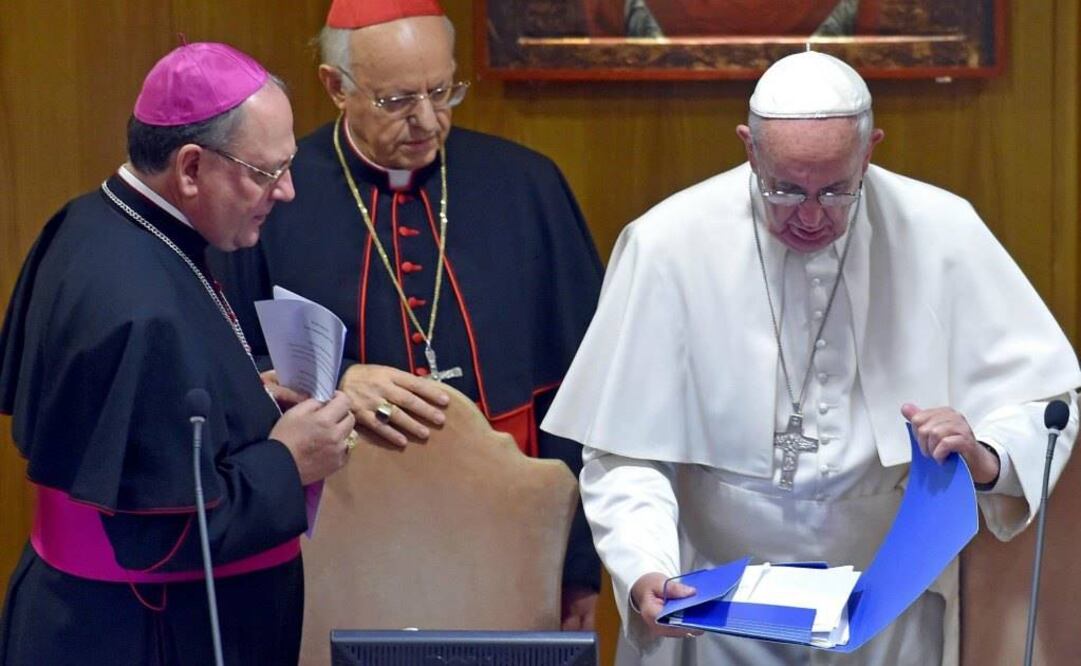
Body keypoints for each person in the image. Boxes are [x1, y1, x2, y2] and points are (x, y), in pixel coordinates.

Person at [542, 51, 1081, 665]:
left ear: (870, 150)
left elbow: (1045, 401)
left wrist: (984, 455)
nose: (809, 215)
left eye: (835, 190)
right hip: (714, 607)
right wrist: (645, 569)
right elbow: (626, 452)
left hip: (888, 605)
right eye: (784, 188)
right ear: (749, 148)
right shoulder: (666, 244)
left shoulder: (944, 231)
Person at [209, 0, 604, 628]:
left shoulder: (527, 186)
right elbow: (224, 360)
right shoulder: (273, 198)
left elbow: (586, 387)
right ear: (335, 87)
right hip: (343, 533)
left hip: (505, 531)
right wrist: (336, 378)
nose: (427, 121)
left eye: (442, 92)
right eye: (396, 101)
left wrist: (578, 564)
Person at [0, 42, 357, 666]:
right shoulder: (140, 303)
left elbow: (146, 424)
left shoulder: (91, 222)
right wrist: (287, 461)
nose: (288, 192)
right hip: (145, 634)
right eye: (268, 172)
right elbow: (159, 533)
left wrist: (245, 399)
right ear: (191, 168)